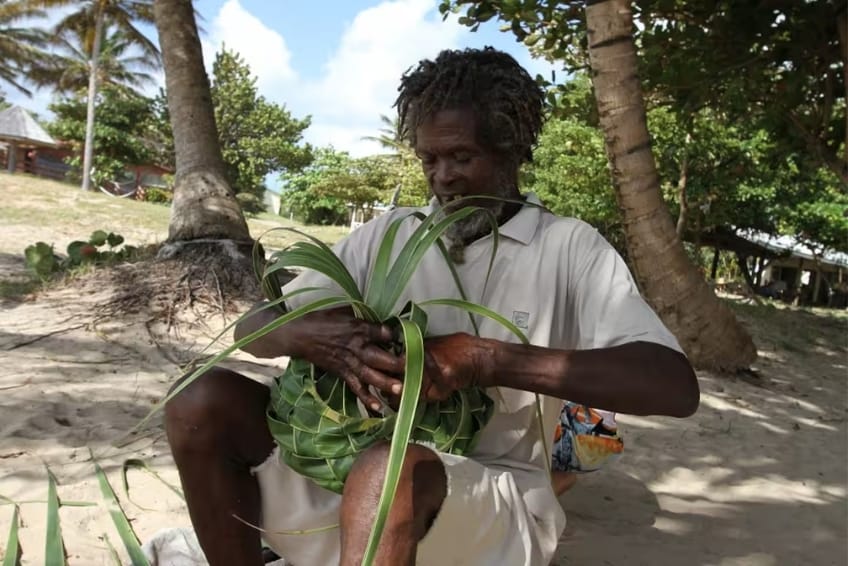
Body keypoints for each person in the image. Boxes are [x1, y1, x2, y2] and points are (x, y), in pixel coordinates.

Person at [164, 47, 699, 566]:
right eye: (429, 159)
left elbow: (674, 386)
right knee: (198, 402)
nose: (443, 177)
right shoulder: (390, 235)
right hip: (342, 472)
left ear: (511, 151)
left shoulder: (569, 248)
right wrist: (304, 335)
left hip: (487, 501)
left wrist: (485, 360)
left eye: (462, 157)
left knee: (387, 472)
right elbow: (252, 328)